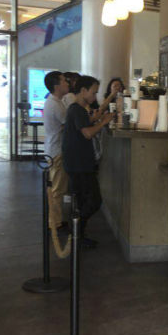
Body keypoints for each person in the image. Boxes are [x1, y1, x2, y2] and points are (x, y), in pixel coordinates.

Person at [62, 76, 113, 248]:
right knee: (93, 201)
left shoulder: (78, 109)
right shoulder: (77, 109)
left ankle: (78, 234)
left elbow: (83, 125)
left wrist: (94, 119)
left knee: (83, 200)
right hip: (78, 163)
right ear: (83, 91)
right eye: (94, 92)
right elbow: (87, 134)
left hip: (77, 162)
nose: (95, 96)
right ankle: (76, 233)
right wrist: (103, 121)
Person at [43, 71, 70, 232]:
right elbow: (68, 125)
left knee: (58, 188)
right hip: (56, 150)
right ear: (56, 85)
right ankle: (54, 224)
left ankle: (56, 221)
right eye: (64, 81)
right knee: (57, 190)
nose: (67, 83)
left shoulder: (56, 102)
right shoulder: (54, 104)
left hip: (55, 148)